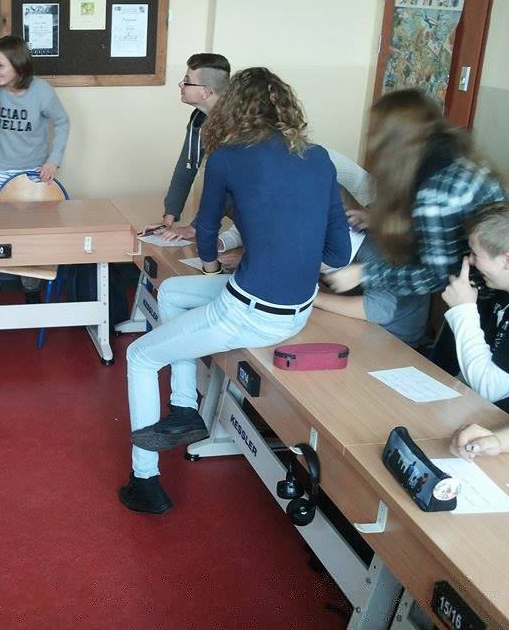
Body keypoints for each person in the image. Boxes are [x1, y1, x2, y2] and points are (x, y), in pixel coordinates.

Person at [119, 67, 351, 514]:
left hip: (250, 313)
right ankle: (184, 408)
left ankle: (145, 481)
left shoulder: (227, 156)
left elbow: (206, 230)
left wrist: (211, 266)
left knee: (141, 356)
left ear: (233, 108)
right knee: (172, 293)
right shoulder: (319, 156)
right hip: (298, 308)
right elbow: (338, 255)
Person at [325, 89, 504, 297]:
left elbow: (436, 276)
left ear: (391, 143)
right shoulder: (450, 155)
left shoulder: (435, 195)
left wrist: (364, 274)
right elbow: (442, 227)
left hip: (486, 293)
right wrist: (377, 220)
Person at [0, 35, 69, 302]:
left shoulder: (42, 91)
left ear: (18, 65)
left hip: (30, 174)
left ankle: (31, 290)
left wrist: (54, 160)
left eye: (0, 65)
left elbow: (63, 122)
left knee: (30, 235)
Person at [439, 201, 509, 416]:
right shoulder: (503, 292)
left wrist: (463, 310)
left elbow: (488, 388)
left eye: (476, 254)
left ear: (507, 261)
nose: (470, 261)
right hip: (474, 411)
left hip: (500, 425)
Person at [153, 53, 230, 236]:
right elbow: (186, 168)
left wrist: (194, 227)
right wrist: (168, 218)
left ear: (205, 91)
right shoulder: (199, 117)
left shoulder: (233, 125)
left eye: (187, 81)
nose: (181, 85)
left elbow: (228, 187)